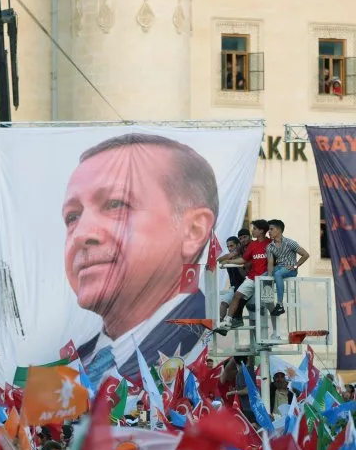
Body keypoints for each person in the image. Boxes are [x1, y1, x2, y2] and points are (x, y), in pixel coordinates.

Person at [62, 133, 218, 384]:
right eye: (72, 217)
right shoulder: (72, 367)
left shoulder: (207, 346)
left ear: (193, 230)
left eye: (115, 204)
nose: (80, 234)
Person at [218, 219, 271, 332]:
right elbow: (238, 258)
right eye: (240, 238)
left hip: (263, 280)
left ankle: (274, 333)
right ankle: (225, 323)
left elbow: (245, 263)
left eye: (244, 237)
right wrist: (219, 260)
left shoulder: (269, 243)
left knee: (266, 310)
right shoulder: (247, 247)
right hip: (250, 280)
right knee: (234, 298)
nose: (242, 240)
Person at [265, 218, 309, 316]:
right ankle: (265, 303)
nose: (269, 232)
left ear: (279, 230)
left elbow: (306, 255)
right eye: (269, 230)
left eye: (271, 229)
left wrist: (295, 266)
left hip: (290, 269)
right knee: (262, 277)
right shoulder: (269, 247)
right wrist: (268, 277)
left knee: (278, 274)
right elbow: (270, 264)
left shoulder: (290, 242)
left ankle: (280, 305)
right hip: (279, 267)